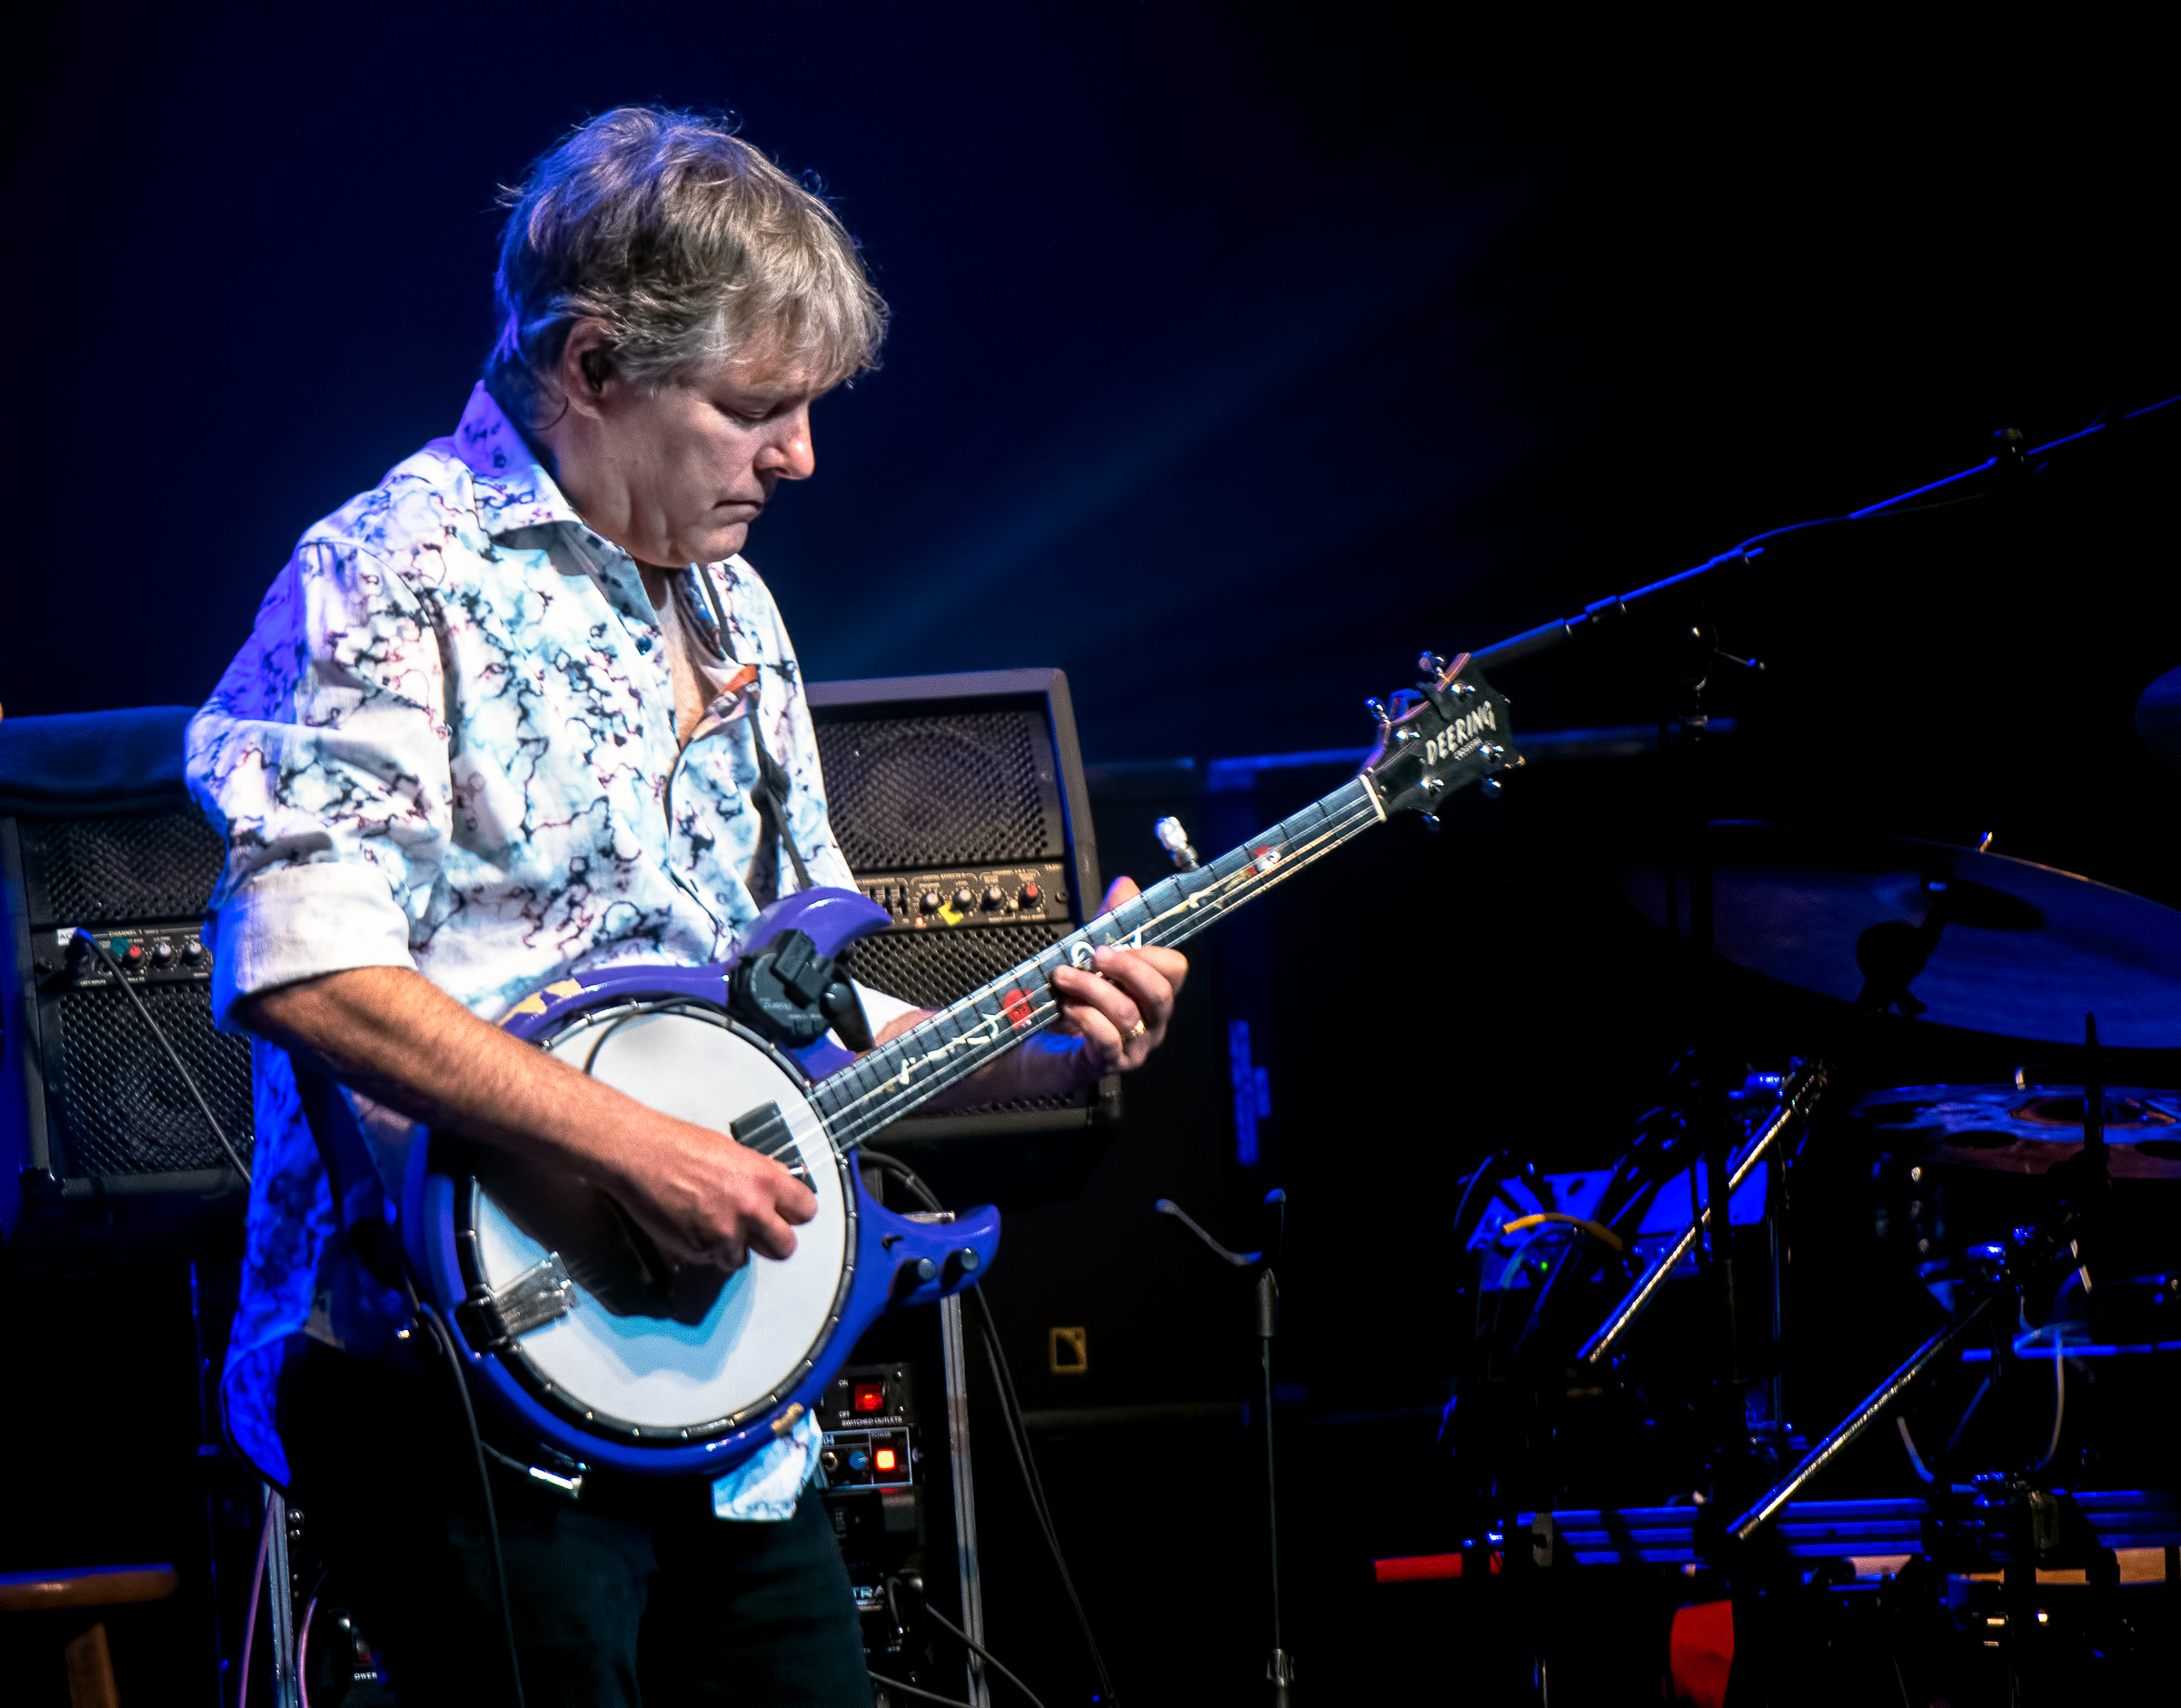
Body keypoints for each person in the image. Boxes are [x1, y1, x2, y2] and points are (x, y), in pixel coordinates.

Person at [185, 106, 1187, 1706]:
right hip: (460, 1390)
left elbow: (811, 1002)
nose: (798, 454)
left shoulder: (737, 602)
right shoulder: (386, 571)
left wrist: (1059, 1051)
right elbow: (303, 968)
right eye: (752, 408)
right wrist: (632, 1148)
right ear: (590, 368)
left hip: (727, 1407)